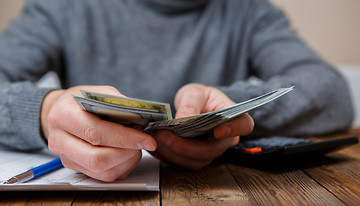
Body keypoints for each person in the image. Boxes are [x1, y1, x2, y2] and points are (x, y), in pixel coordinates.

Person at [0, 0, 353, 182]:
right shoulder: (64, 6)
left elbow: (331, 91)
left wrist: (227, 109)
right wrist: (44, 112)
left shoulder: (246, 10)